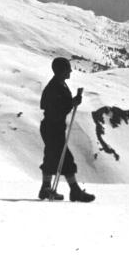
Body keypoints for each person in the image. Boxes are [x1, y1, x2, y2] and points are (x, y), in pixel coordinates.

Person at [38, 57, 95, 202]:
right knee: (65, 158)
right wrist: (72, 103)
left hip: (52, 127)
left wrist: (72, 102)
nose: (70, 71)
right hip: (52, 128)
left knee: (51, 156)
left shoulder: (58, 85)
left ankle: (46, 188)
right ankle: (74, 191)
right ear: (61, 71)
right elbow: (55, 109)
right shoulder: (54, 87)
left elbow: (59, 105)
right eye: (67, 69)